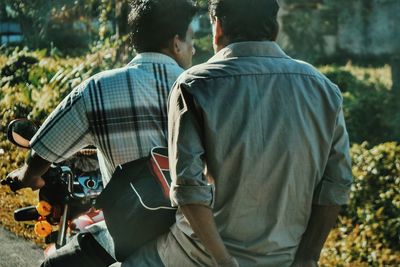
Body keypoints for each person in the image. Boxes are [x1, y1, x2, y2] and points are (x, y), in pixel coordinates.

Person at [3, 0, 197, 266]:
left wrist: (29, 176)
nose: (194, 48)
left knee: (53, 264)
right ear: (176, 43)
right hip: (197, 233)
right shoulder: (203, 89)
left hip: (130, 235)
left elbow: (45, 147)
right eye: (191, 40)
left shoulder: (97, 89)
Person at [165, 0, 353, 266]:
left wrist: (224, 260)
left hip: (202, 257)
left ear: (217, 28)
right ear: (274, 29)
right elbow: (337, 183)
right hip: (288, 258)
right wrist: (307, 257)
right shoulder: (323, 89)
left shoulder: (194, 85)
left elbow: (188, 188)